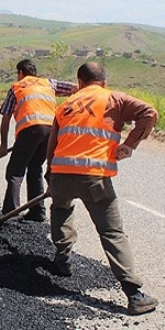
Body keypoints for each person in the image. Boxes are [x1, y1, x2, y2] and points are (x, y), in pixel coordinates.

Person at [46, 62, 159, 315]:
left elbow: (52, 146)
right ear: (104, 82)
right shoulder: (113, 98)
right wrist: (130, 144)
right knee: (112, 233)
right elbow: (149, 113)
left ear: (80, 83)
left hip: (62, 175)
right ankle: (134, 294)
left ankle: (62, 261)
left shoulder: (65, 105)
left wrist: (49, 176)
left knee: (61, 211)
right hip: (93, 178)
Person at [0, 59, 77, 221]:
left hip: (31, 129)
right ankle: (37, 212)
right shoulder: (49, 83)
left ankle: (10, 213)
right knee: (35, 168)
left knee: (15, 171)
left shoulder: (17, 87)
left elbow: (5, 118)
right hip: (51, 131)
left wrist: (4, 145)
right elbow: (75, 88)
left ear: (20, 73)